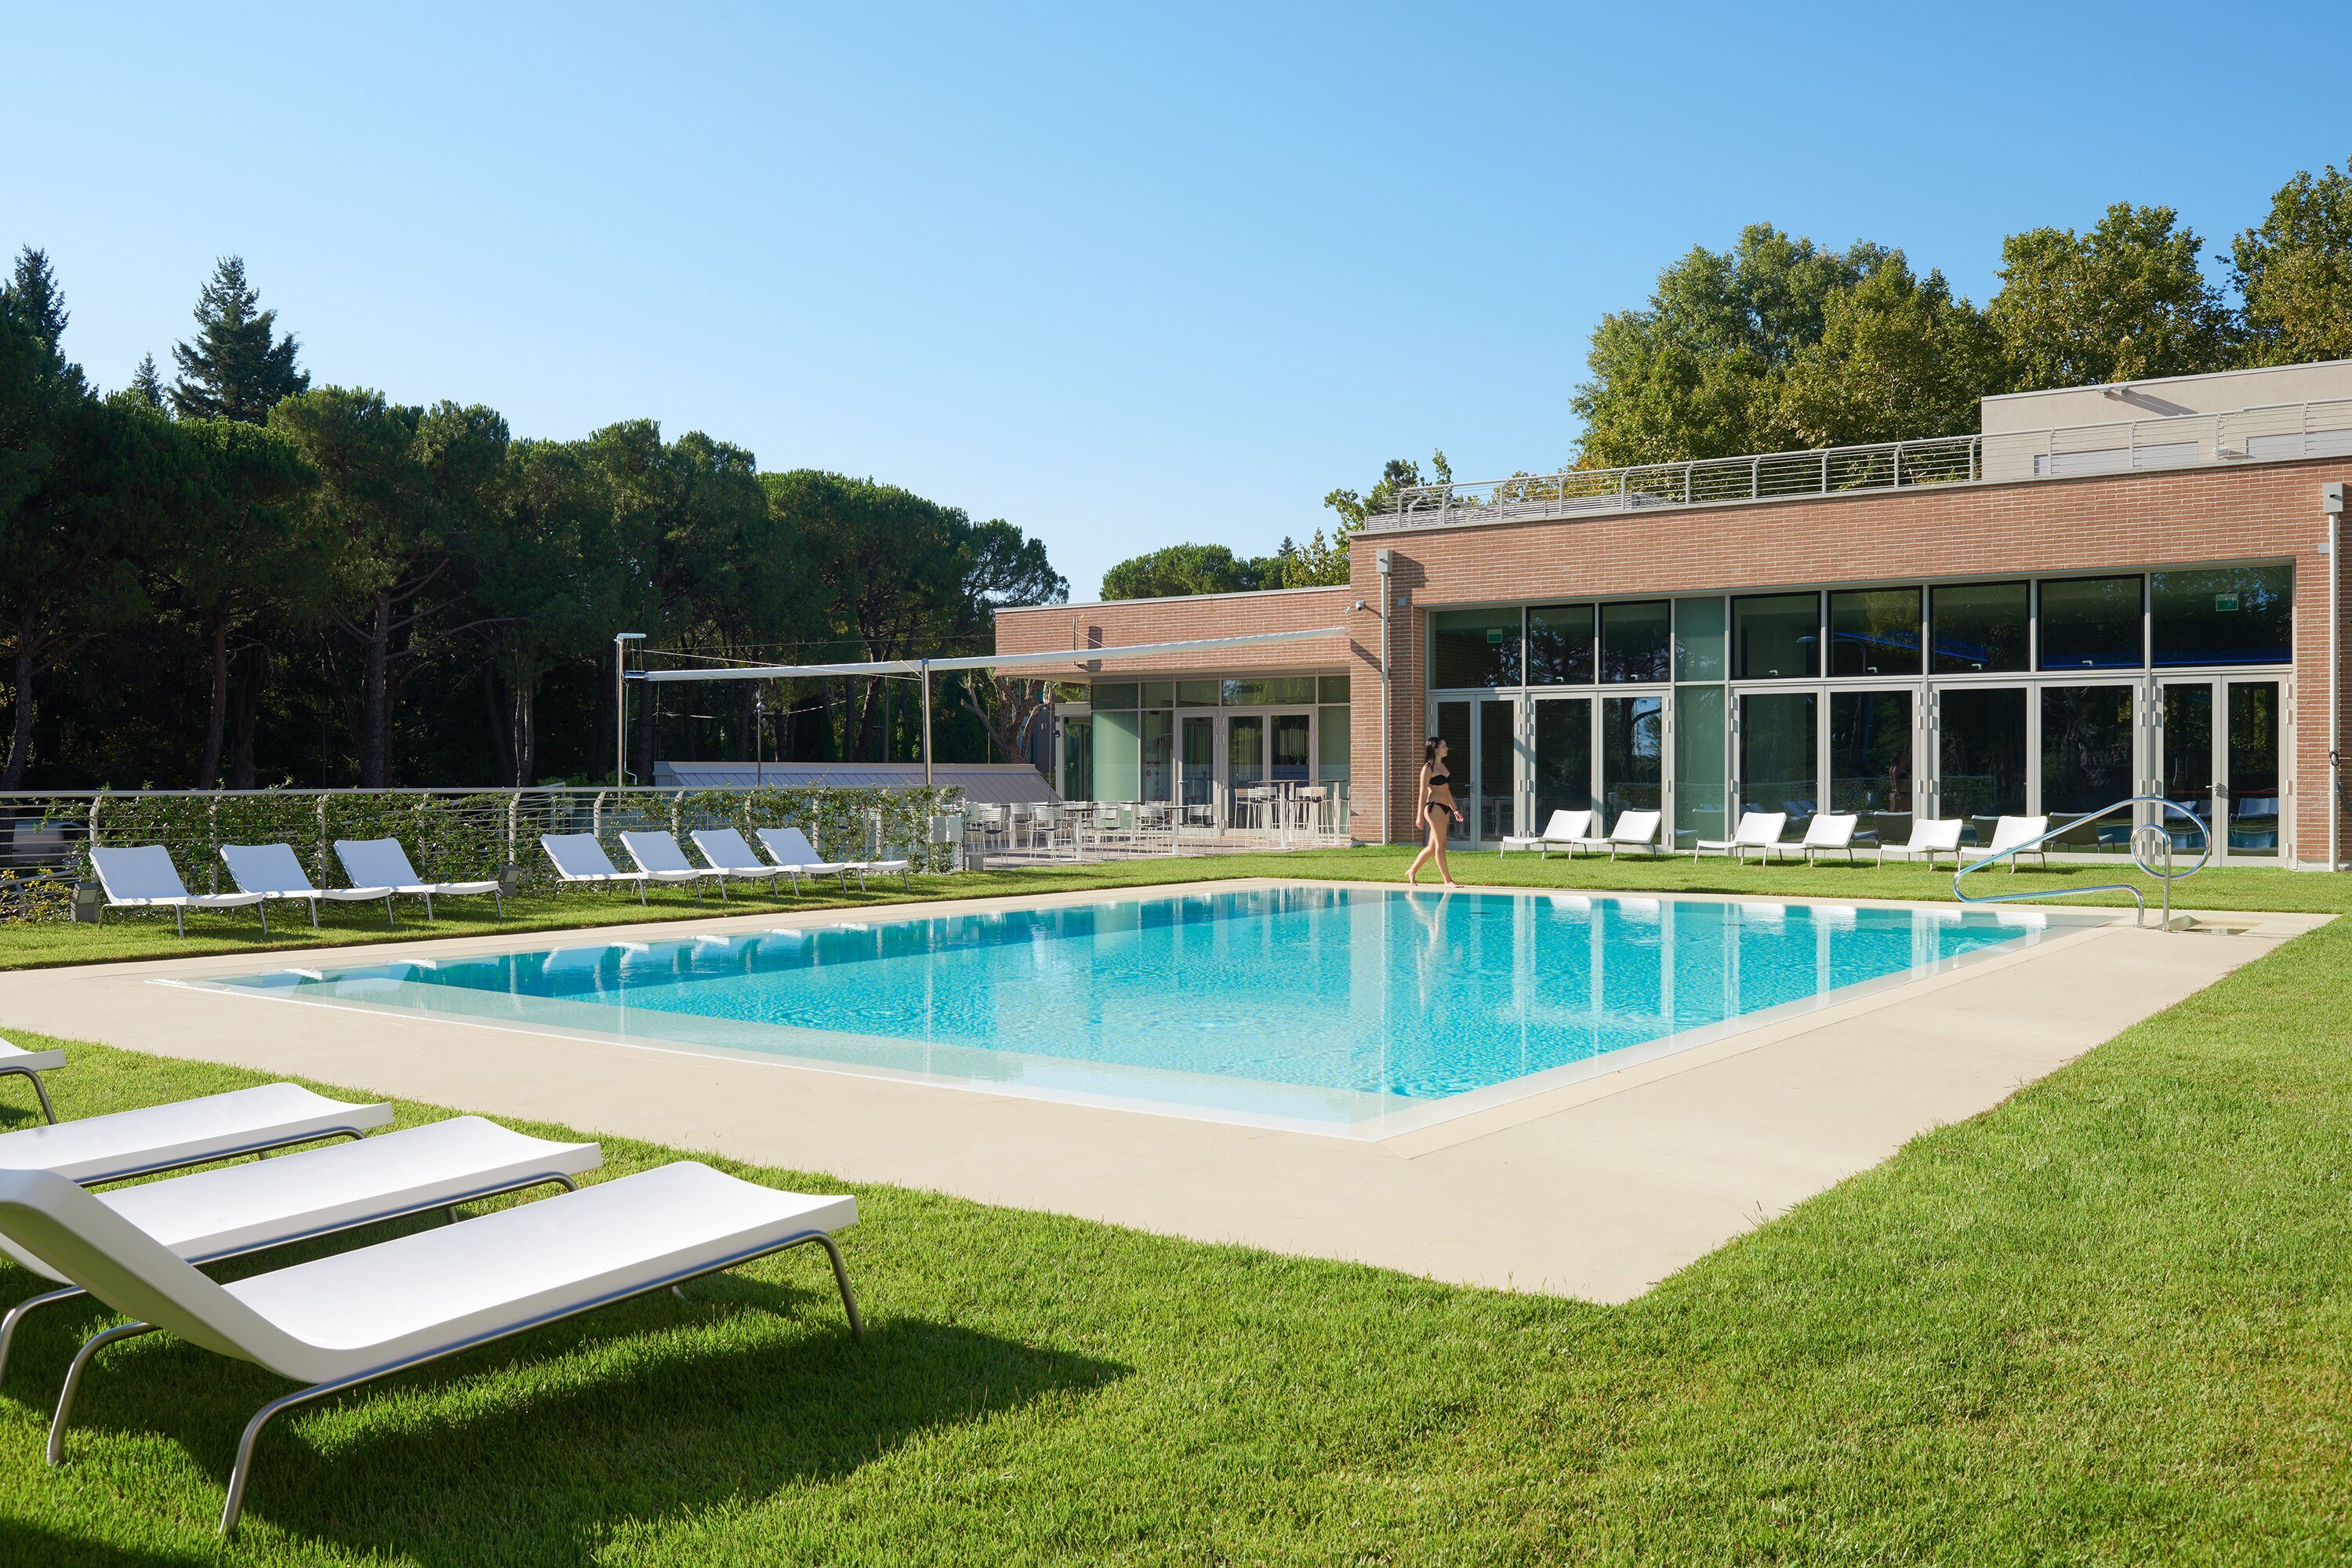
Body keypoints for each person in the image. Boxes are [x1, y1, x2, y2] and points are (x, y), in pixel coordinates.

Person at [1406, 735, 1461, 888]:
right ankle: (1447, 880)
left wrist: (1455, 809)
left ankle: (1412, 871)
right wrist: (1419, 817)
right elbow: (1423, 792)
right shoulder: (1427, 769)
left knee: (1432, 847)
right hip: (1434, 807)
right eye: (1443, 746)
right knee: (1441, 846)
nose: (1446, 748)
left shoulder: (1443, 767)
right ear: (1435, 749)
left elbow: (1447, 791)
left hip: (1445, 808)